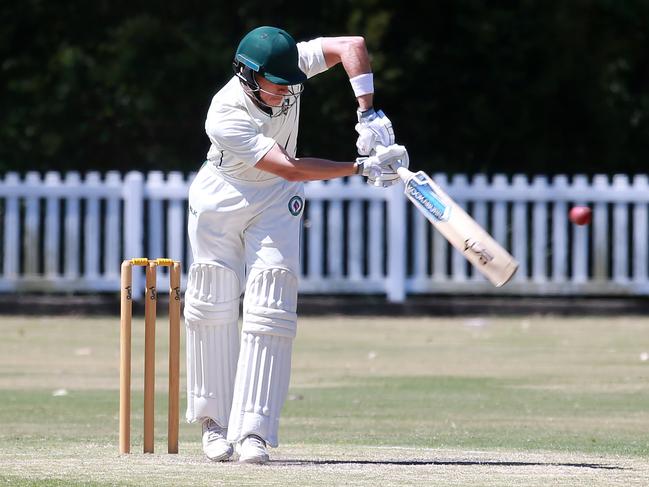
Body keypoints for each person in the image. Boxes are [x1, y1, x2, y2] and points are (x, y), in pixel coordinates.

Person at [184, 26, 408, 464]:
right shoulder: (225, 112)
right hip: (222, 197)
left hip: (275, 201)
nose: (286, 91)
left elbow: (352, 47)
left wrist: (368, 113)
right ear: (249, 74)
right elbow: (289, 167)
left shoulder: (288, 68)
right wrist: (360, 166)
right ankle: (215, 424)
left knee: (272, 304)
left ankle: (254, 432)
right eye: (276, 84)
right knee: (212, 302)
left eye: (292, 83)